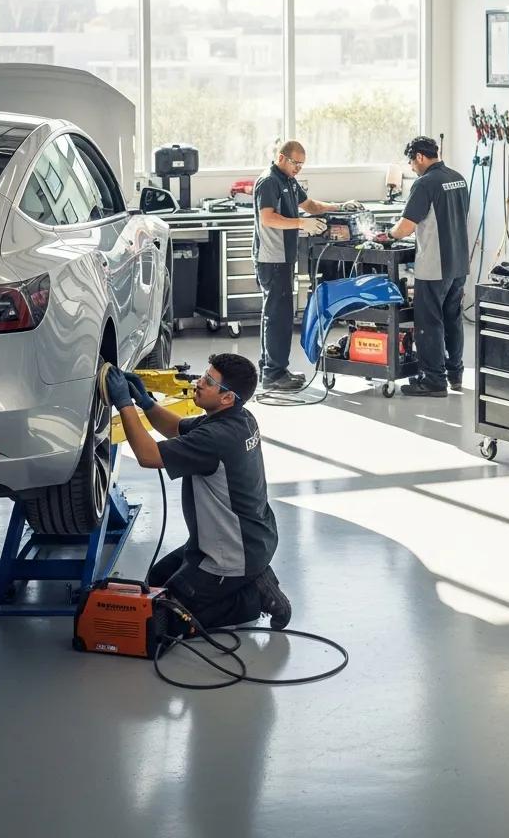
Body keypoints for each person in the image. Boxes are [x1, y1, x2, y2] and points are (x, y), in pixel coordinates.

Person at [103, 354, 292, 630]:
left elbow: (147, 455)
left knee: (164, 620)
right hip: (248, 538)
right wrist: (146, 403)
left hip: (231, 553)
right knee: (156, 580)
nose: (199, 383)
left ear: (227, 397)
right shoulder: (239, 418)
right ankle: (253, 573)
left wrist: (124, 404)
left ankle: (255, 595)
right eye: (204, 375)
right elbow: (176, 429)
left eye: (209, 381)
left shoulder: (215, 438)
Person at [253, 140, 363, 391]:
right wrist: (301, 224)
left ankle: (272, 368)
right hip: (272, 258)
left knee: (277, 314)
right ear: (282, 158)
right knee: (278, 317)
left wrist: (340, 206)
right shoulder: (270, 181)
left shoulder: (288, 180)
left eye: (302, 164)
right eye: (295, 163)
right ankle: (273, 374)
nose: (299, 168)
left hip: (283, 257)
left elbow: (310, 206)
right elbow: (267, 218)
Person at [380, 136, 470, 397]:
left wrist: (387, 236)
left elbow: (406, 226)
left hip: (434, 265)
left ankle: (433, 381)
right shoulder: (458, 178)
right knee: (453, 318)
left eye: (411, 161)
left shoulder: (425, 183)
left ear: (420, 156)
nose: (411, 167)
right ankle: (455, 374)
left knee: (429, 322)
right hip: (459, 262)